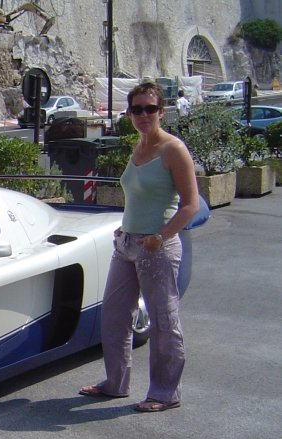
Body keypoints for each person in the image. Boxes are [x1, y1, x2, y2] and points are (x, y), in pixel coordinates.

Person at [79, 81, 200, 412]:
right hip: (127, 242)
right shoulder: (139, 146)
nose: (143, 115)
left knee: (163, 321)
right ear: (129, 113)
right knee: (115, 315)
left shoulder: (173, 149)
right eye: (137, 109)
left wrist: (160, 236)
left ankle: (164, 392)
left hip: (156, 247)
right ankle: (115, 383)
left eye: (150, 108)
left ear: (161, 111)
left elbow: (190, 204)